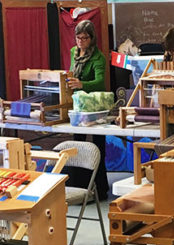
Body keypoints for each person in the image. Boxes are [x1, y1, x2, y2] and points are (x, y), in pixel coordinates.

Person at [67, 20, 109, 200]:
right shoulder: (73, 52)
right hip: (78, 106)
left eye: (85, 38)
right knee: (78, 145)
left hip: (95, 107)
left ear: (92, 39)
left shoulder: (98, 58)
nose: (81, 42)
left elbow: (100, 82)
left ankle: (100, 189)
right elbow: (72, 72)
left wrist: (81, 84)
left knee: (98, 147)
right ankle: (80, 187)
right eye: (78, 38)